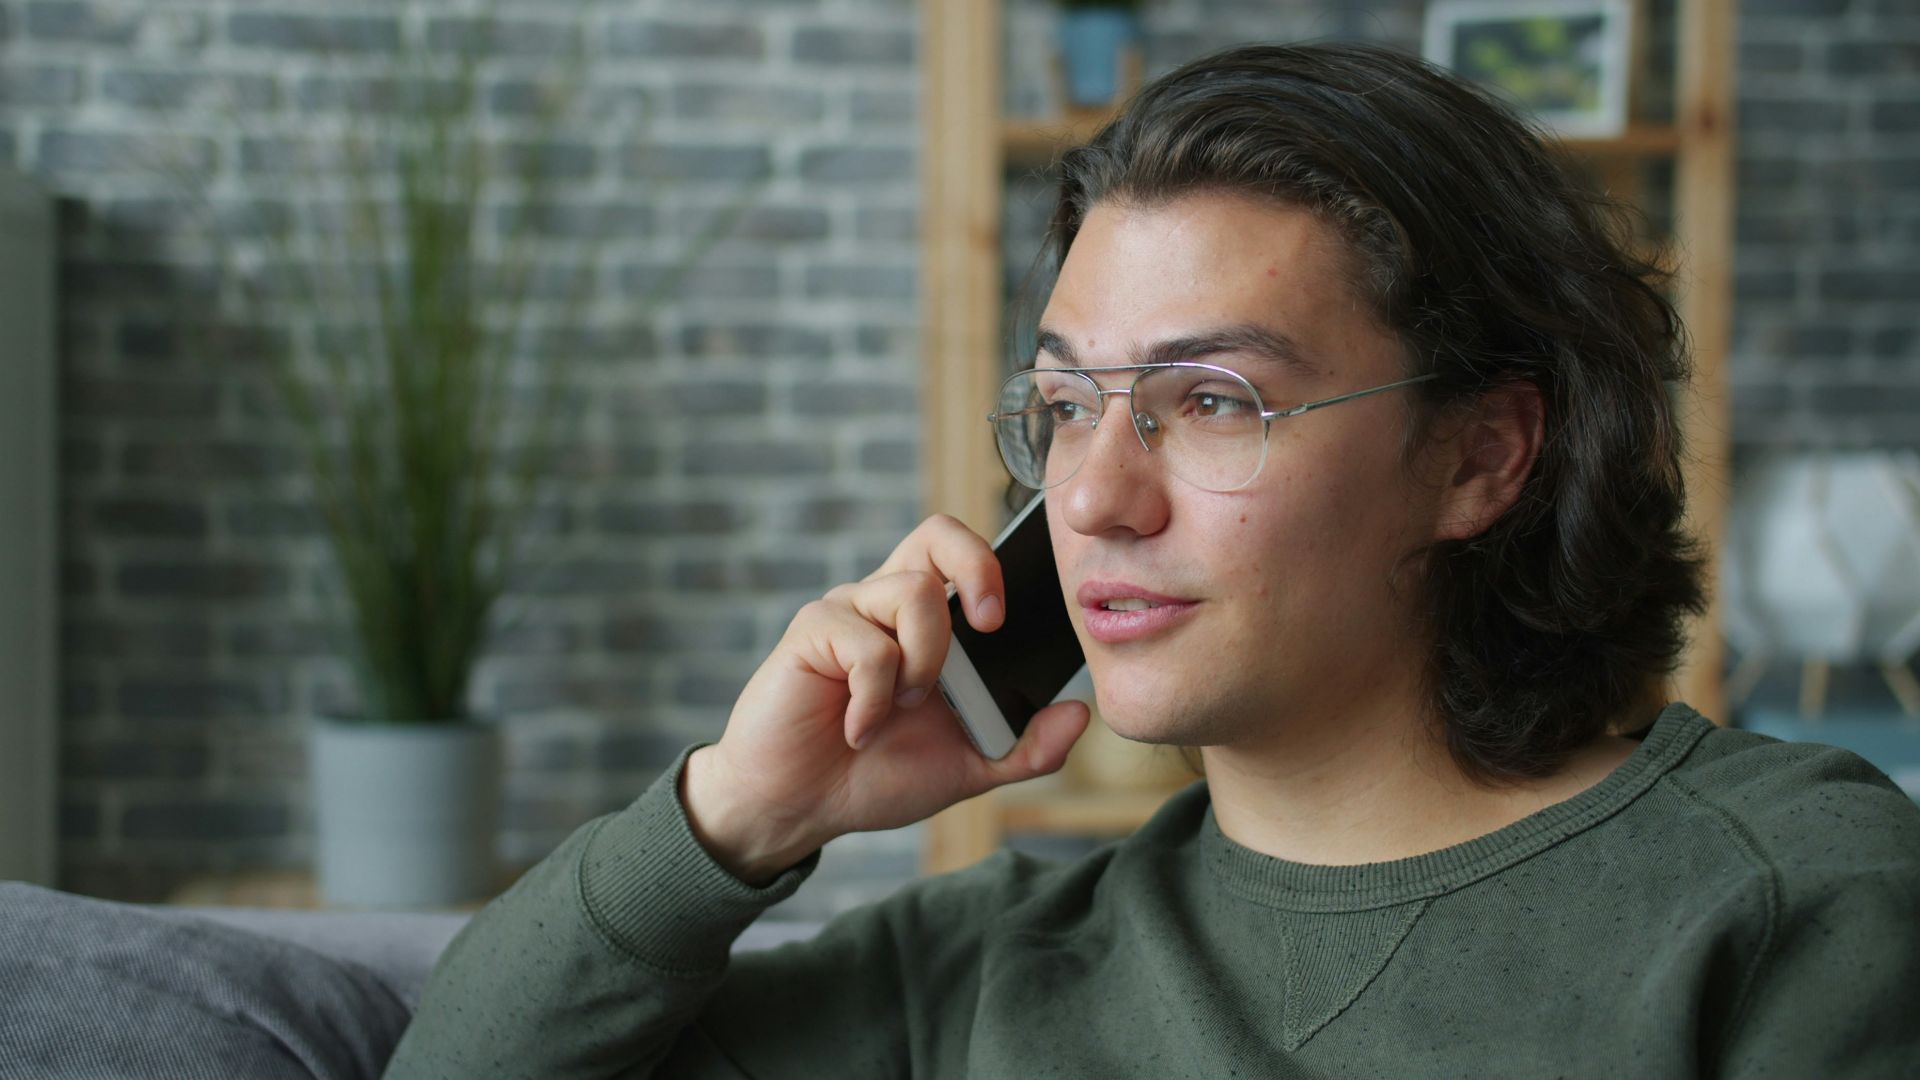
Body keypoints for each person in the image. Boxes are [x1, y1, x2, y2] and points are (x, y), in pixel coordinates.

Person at [386, 42, 1920, 1078]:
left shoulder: (1783, 892)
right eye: (1066, 407)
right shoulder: (985, 968)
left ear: (1480, 457)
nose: (1095, 498)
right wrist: (734, 817)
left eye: (1214, 401)